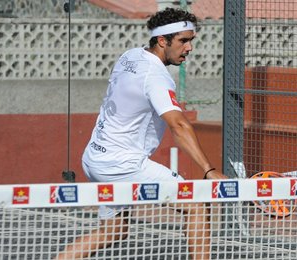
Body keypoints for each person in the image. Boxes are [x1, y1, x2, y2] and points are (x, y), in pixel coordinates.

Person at [55, 7, 226, 260]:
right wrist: (208, 170)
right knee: (196, 204)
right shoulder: (156, 76)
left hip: (95, 158)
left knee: (114, 230)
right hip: (121, 163)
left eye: (191, 40)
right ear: (162, 40)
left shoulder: (131, 56)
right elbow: (178, 125)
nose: (189, 48)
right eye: (183, 41)